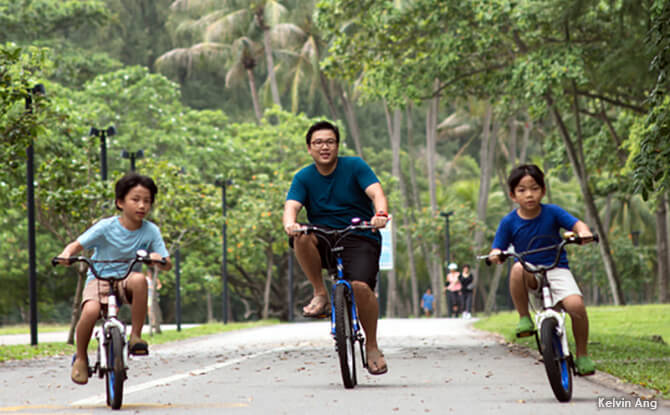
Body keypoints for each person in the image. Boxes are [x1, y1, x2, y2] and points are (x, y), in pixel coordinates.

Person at [283, 120, 390, 375]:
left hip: (359, 235)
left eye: (330, 141)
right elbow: (292, 207)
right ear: (309, 148)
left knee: (361, 288)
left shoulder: (355, 166)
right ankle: (320, 292)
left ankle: (372, 347)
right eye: (318, 142)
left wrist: (381, 214)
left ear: (337, 146)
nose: (324, 147)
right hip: (323, 237)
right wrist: (290, 223)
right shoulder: (303, 176)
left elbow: (376, 193)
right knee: (301, 236)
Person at [56, 173, 172, 385]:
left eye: (147, 201)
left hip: (126, 280)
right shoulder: (106, 227)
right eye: (135, 199)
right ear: (120, 202)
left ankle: (136, 336)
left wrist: (158, 260)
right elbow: (76, 245)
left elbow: (166, 262)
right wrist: (66, 254)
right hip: (99, 279)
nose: (142, 205)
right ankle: (81, 357)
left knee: (139, 280)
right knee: (90, 312)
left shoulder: (151, 231)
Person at [487, 164, 596, 376]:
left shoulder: (552, 212)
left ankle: (582, 355)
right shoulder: (509, 221)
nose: (529, 194)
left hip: (556, 268)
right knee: (517, 268)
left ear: (543, 190)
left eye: (534, 188)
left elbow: (577, 225)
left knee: (577, 306)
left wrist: (584, 233)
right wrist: (495, 254)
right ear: (513, 195)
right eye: (522, 190)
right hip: (530, 272)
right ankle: (524, 318)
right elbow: (497, 247)